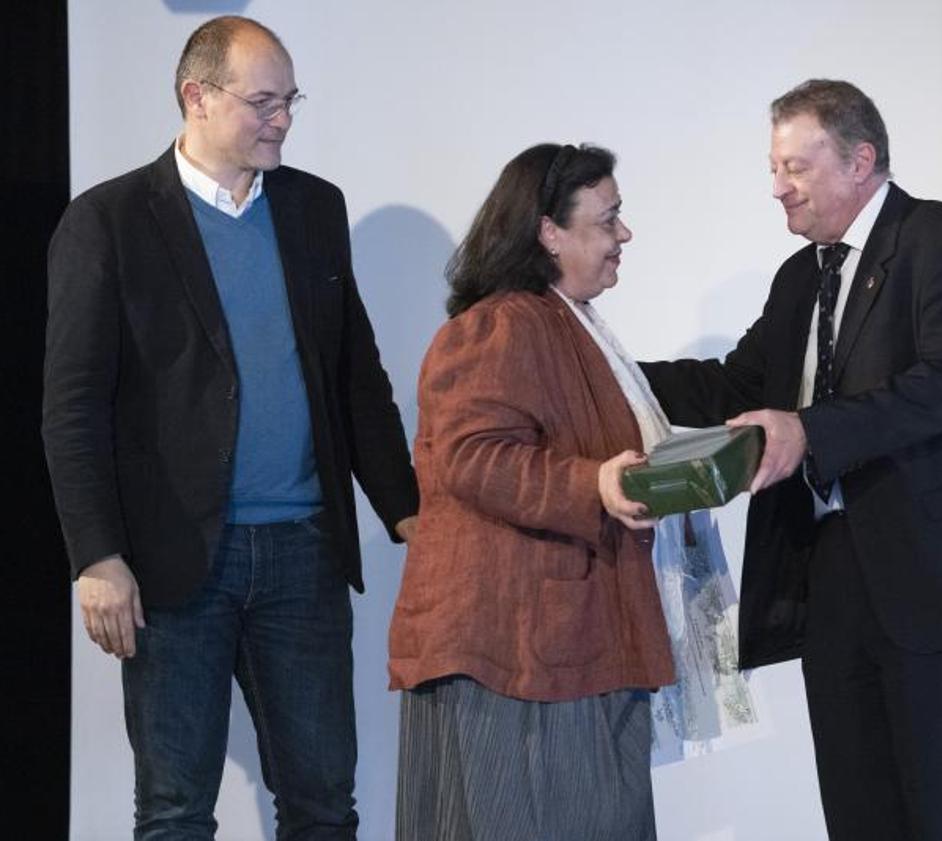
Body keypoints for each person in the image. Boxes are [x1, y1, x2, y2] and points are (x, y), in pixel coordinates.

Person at [42, 16, 419, 839]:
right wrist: (97, 555)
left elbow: (356, 379)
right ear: (197, 97)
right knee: (176, 811)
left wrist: (407, 513)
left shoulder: (314, 208)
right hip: (173, 566)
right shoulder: (106, 221)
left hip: (303, 555)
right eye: (262, 102)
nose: (282, 119)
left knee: (324, 806)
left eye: (290, 101)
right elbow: (71, 407)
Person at [640, 79, 942, 840]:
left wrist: (810, 432)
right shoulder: (801, 276)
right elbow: (735, 382)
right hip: (827, 579)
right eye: (773, 168)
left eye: (795, 167)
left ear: (861, 161)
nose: (777, 188)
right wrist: (610, 368)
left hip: (929, 578)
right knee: (859, 812)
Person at [387, 143, 676, 841]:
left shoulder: (568, 323)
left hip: (565, 646)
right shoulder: (499, 326)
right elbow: (473, 456)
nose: (623, 235)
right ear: (549, 231)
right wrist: (596, 482)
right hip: (517, 657)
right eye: (607, 220)